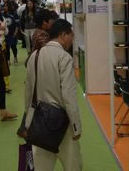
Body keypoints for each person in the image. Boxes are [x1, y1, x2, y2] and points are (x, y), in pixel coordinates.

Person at [24, 19, 82, 170]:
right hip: (61, 122)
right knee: (72, 164)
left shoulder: (34, 55)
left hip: (38, 121)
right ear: (63, 35)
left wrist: (28, 119)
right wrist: (76, 126)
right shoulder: (64, 57)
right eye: (71, 36)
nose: (72, 40)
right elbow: (69, 96)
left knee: (40, 166)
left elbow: (28, 91)